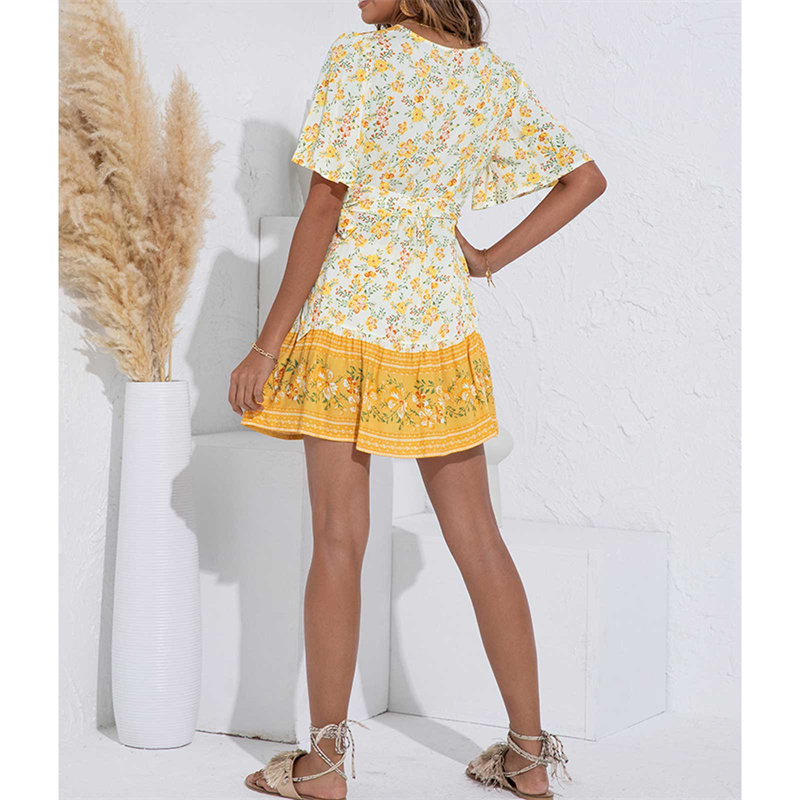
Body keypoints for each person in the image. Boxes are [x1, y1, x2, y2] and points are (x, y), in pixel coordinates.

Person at [230, 1, 606, 797]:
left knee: (339, 538)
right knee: (481, 541)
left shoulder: (361, 58)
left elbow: (325, 206)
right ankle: (530, 756)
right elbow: (585, 181)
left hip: (349, 325)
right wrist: (484, 259)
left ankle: (324, 765)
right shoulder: (486, 76)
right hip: (439, 331)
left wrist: (267, 344)